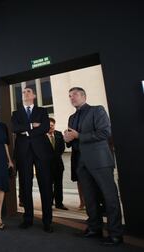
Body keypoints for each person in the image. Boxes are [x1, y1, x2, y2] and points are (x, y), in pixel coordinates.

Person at [64, 87, 123, 246]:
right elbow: (74, 141)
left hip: (100, 161)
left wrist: (78, 136)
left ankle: (115, 234)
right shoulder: (71, 117)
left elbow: (105, 133)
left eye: (74, 95)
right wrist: (68, 139)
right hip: (81, 163)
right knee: (90, 199)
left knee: (109, 197)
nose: (72, 98)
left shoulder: (97, 110)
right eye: (69, 96)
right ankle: (94, 228)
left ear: (83, 95)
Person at [11, 87, 54, 233]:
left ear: (34, 95)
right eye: (23, 92)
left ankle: (47, 221)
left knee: (46, 186)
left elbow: (45, 127)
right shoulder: (16, 113)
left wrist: (26, 132)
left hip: (41, 152)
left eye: (28, 91)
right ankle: (27, 218)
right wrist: (31, 126)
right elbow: (15, 128)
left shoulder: (42, 111)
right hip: (23, 153)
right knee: (25, 186)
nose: (25, 93)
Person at [48, 118, 68, 210]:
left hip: (58, 164)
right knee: (48, 185)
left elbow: (62, 148)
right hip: (47, 165)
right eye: (49, 125)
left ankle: (59, 203)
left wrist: (55, 156)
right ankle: (49, 203)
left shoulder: (59, 134)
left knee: (58, 184)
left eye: (52, 125)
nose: (51, 127)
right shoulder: (42, 136)